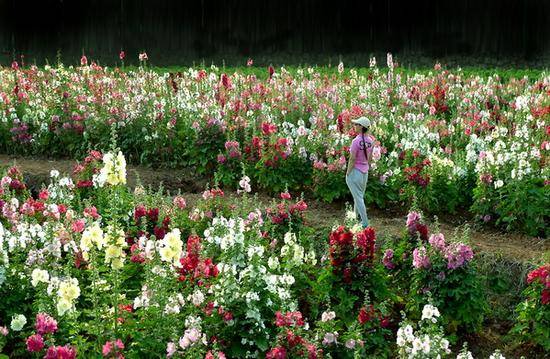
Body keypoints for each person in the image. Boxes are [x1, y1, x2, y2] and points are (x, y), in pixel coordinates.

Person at [346, 116, 373, 228]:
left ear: (361, 127)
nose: (355, 126)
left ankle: (365, 222)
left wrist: (348, 172)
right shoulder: (370, 141)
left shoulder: (355, 141)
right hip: (364, 172)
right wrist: (367, 167)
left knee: (358, 198)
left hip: (355, 171)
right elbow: (370, 158)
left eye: (357, 124)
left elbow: (352, 159)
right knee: (358, 196)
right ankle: (355, 216)